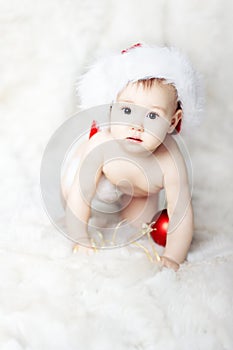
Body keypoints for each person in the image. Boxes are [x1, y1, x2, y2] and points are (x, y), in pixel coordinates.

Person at [62, 44, 203, 271]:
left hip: (140, 190)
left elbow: (180, 212)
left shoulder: (170, 161)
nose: (137, 126)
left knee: (139, 228)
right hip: (96, 173)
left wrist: (174, 257)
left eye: (152, 115)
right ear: (111, 109)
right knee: (71, 188)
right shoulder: (101, 144)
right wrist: (81, 239)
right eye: (127, 111)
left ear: (173, 122)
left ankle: (130, 206)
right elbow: (81, 195)